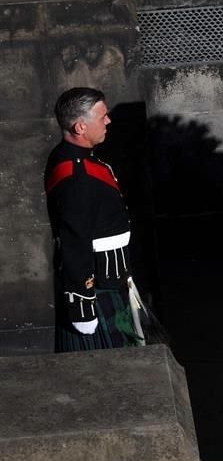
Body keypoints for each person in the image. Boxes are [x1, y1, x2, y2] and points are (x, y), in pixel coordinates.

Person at [44, 87, 144, 352]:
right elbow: (74, 241)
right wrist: (83, 306)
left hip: (112, 278)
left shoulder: (77, 159)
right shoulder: (76, 176)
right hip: (98, 287)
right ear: (80, 127)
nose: (108, 121)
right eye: (102, 117)